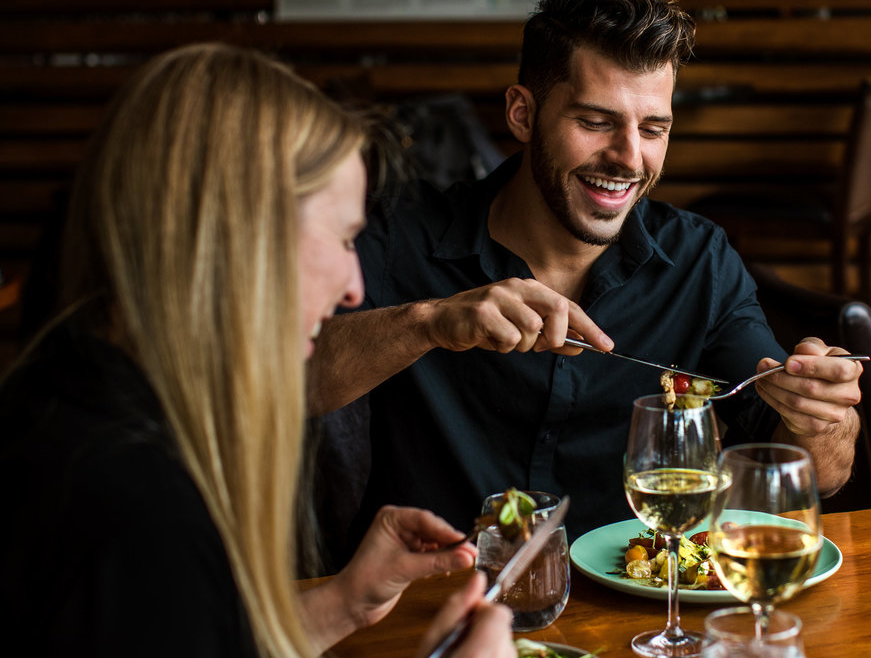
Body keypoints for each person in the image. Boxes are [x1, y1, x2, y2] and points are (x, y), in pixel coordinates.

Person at [311, 0, 862, 559]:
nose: (629, 158)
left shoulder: (700, 260)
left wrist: (820, 419)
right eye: (596, 122)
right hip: (424, 600)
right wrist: (427, 323)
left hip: (626, 610)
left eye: (653, 129)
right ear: (522, 115)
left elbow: (817, 473)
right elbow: (288, 384)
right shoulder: (399, 234)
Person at [0, 43, 513, 658]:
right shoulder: (133, 506)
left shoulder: (69, 391)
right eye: (346, 237)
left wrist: (340, 604)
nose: (354, 286)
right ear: (245, 233)